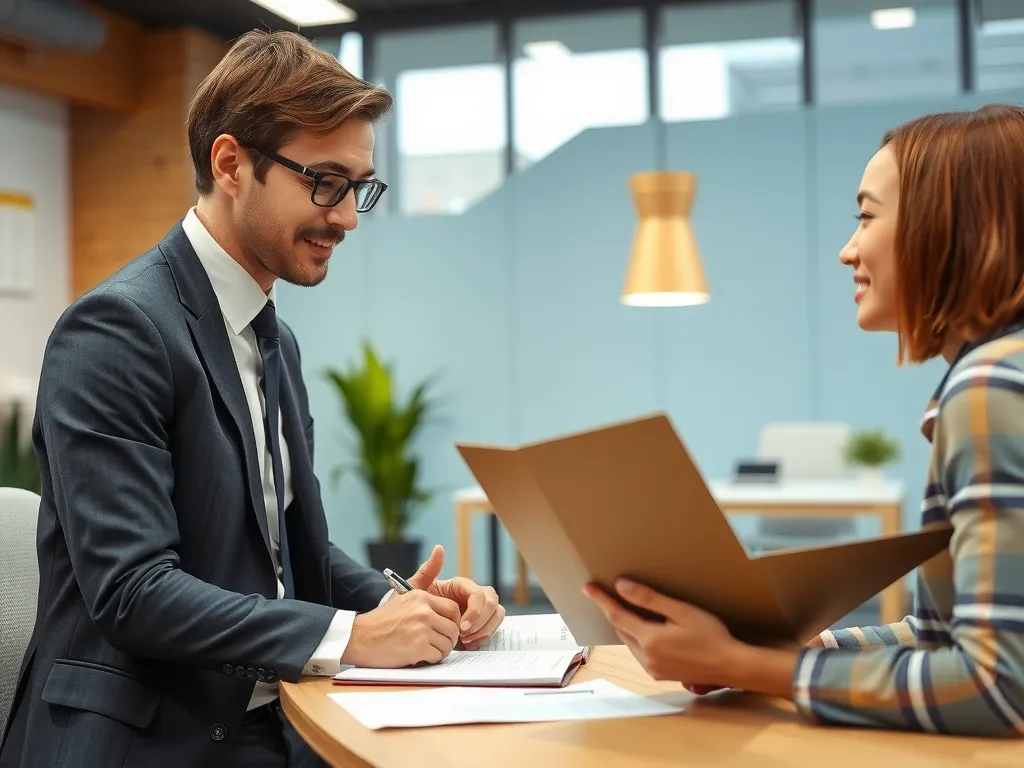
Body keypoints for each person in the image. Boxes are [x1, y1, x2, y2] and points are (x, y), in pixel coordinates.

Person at [0, 30, 505, 768]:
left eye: (358, 187)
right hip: (144, 741)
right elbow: (134, 592)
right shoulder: (117, 331)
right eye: (324, 182)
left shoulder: (271, 338)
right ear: (231, 163)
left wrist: (411, 606)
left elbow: (286, 553)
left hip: (271, 721)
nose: (347, 217)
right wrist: (349, 637)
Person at [584, 103, 1024, 738]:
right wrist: (786, 653)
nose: (848, 250)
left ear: (948, 227)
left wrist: (754, 665)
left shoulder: (990, 386)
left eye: (867, 216)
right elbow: (940, 636)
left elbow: (997, 686)